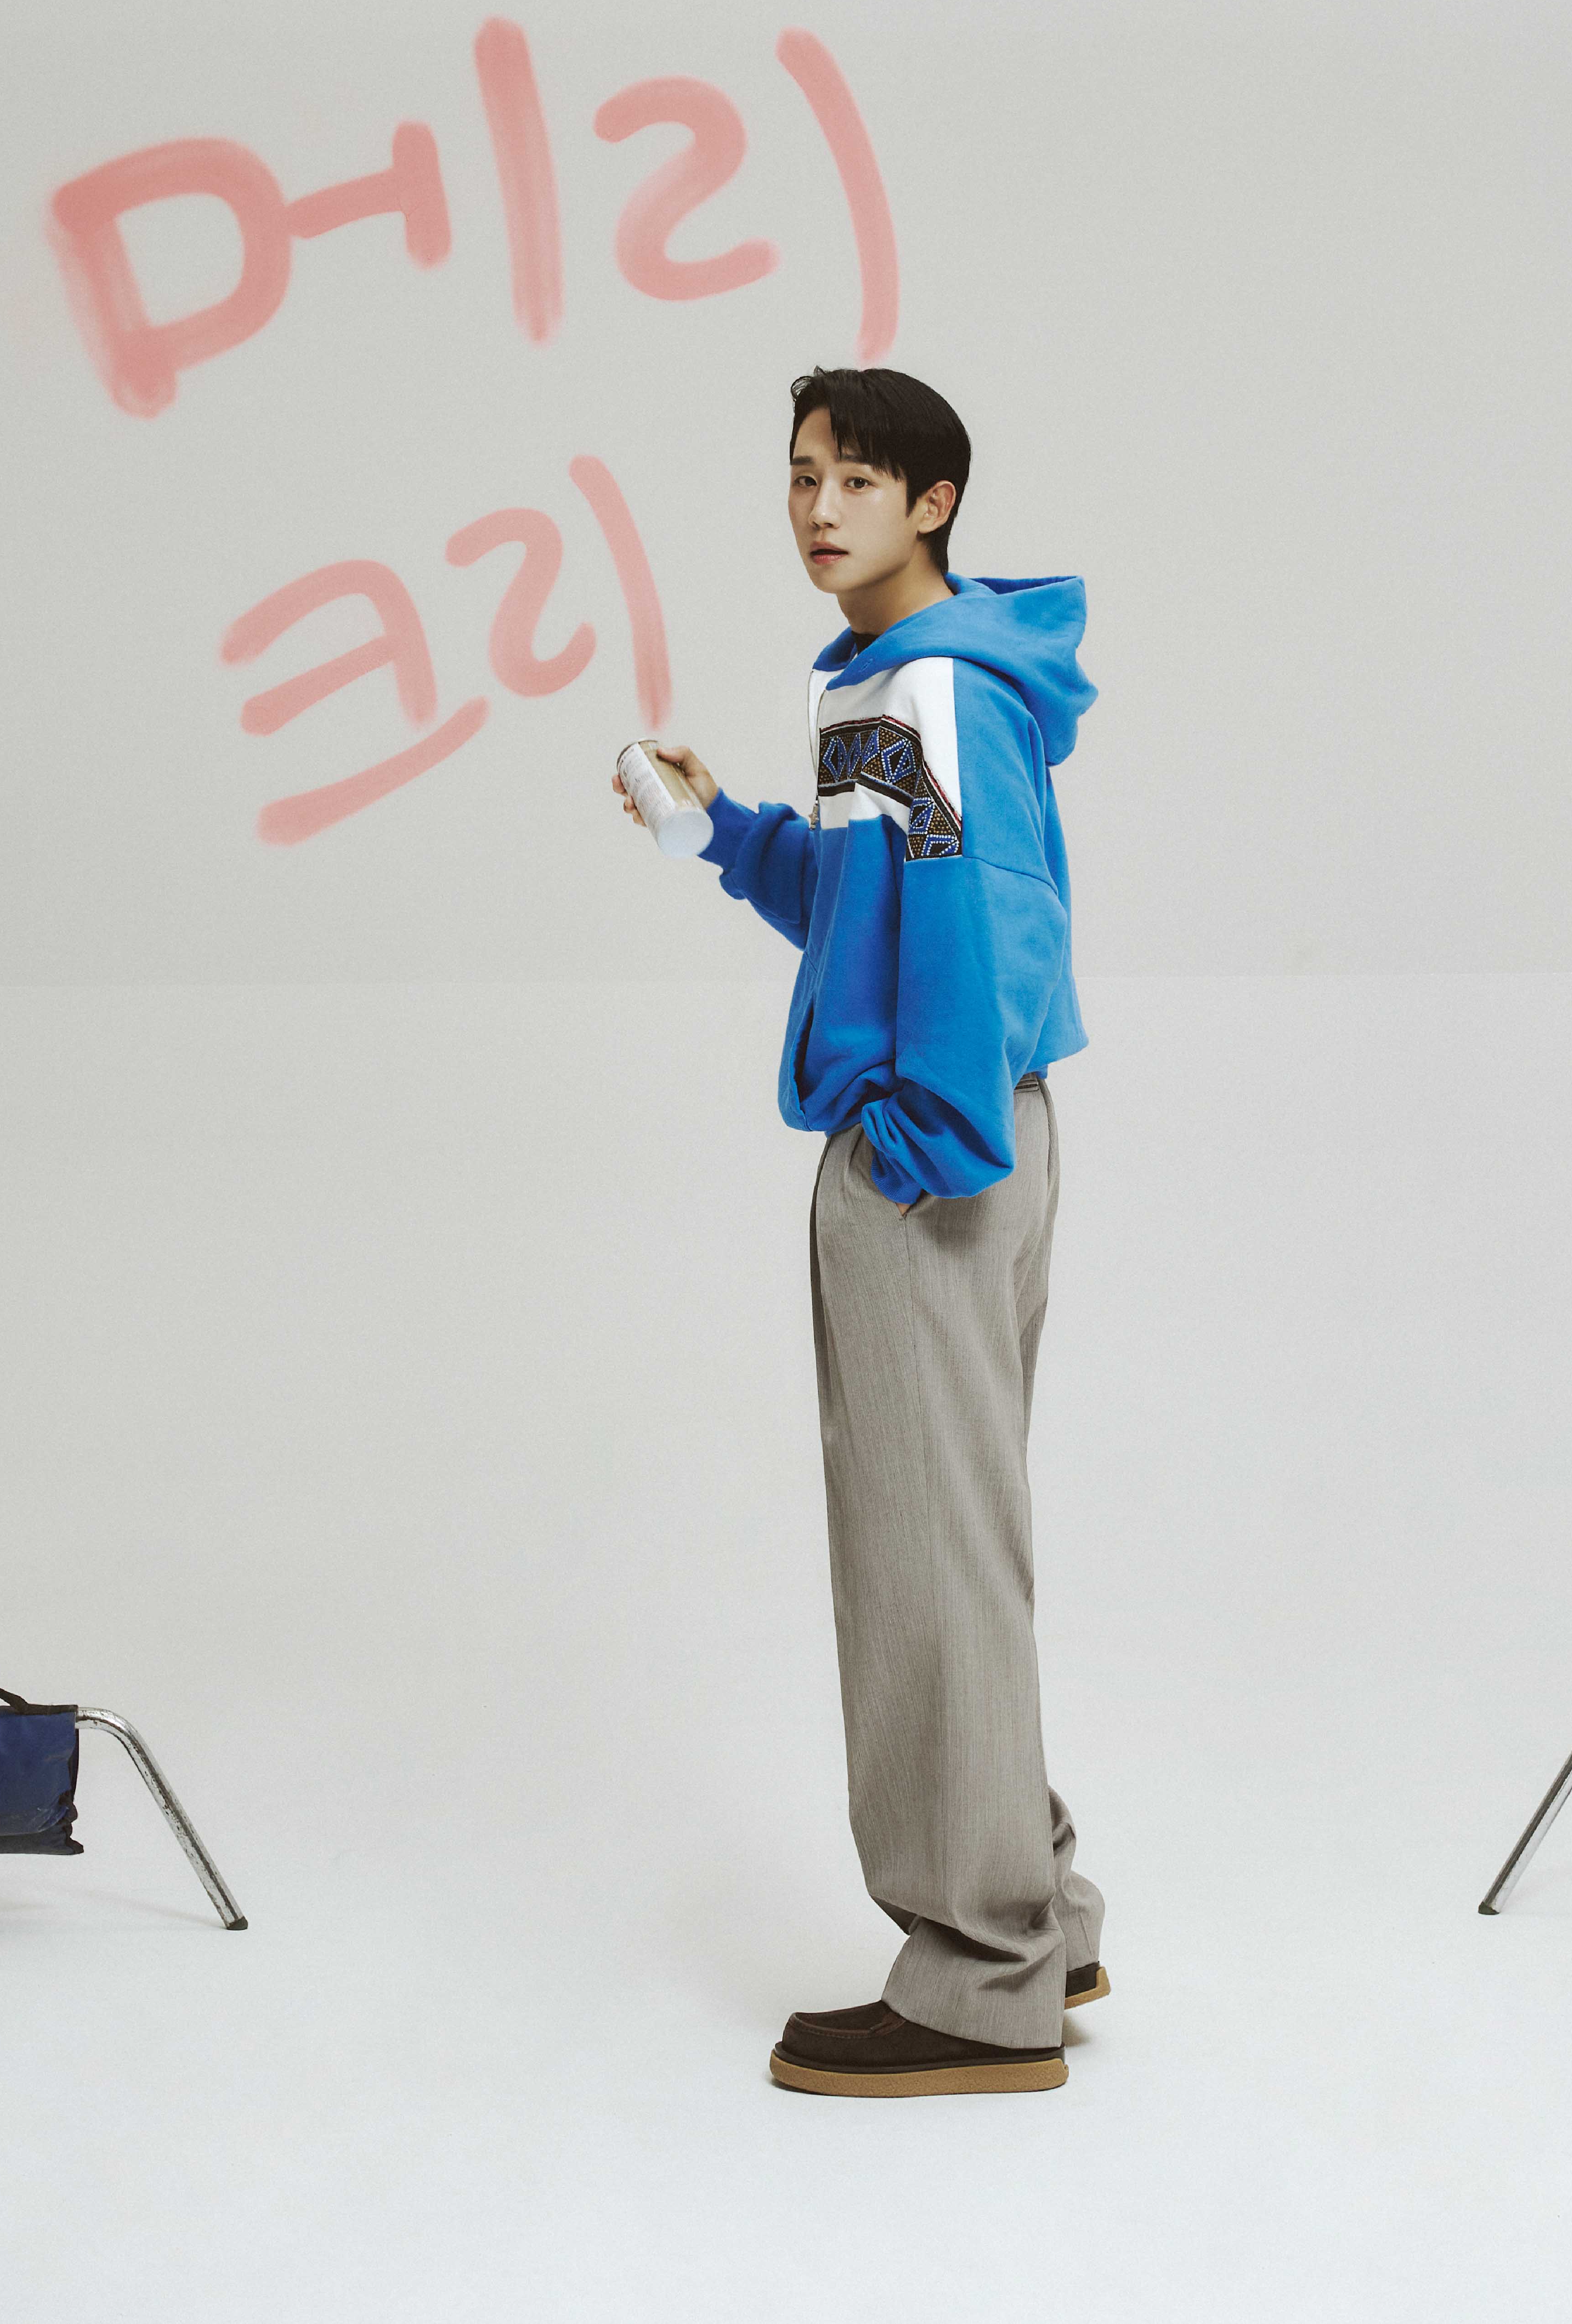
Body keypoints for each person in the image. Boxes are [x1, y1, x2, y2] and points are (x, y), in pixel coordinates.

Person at [612, 365, 1105, 2098]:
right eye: (802, 475)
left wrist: (916, 1148)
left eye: (859, 480)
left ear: (934, 503)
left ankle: (979, 1980)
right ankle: (1038, 1910)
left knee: (923, 1567)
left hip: (933, 1157)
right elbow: (866, 903)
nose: (820, 508)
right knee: (955, 1547)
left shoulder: (934, 689)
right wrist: (718, 834)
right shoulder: (885, 684)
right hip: (964, 1138)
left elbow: (979, 920)